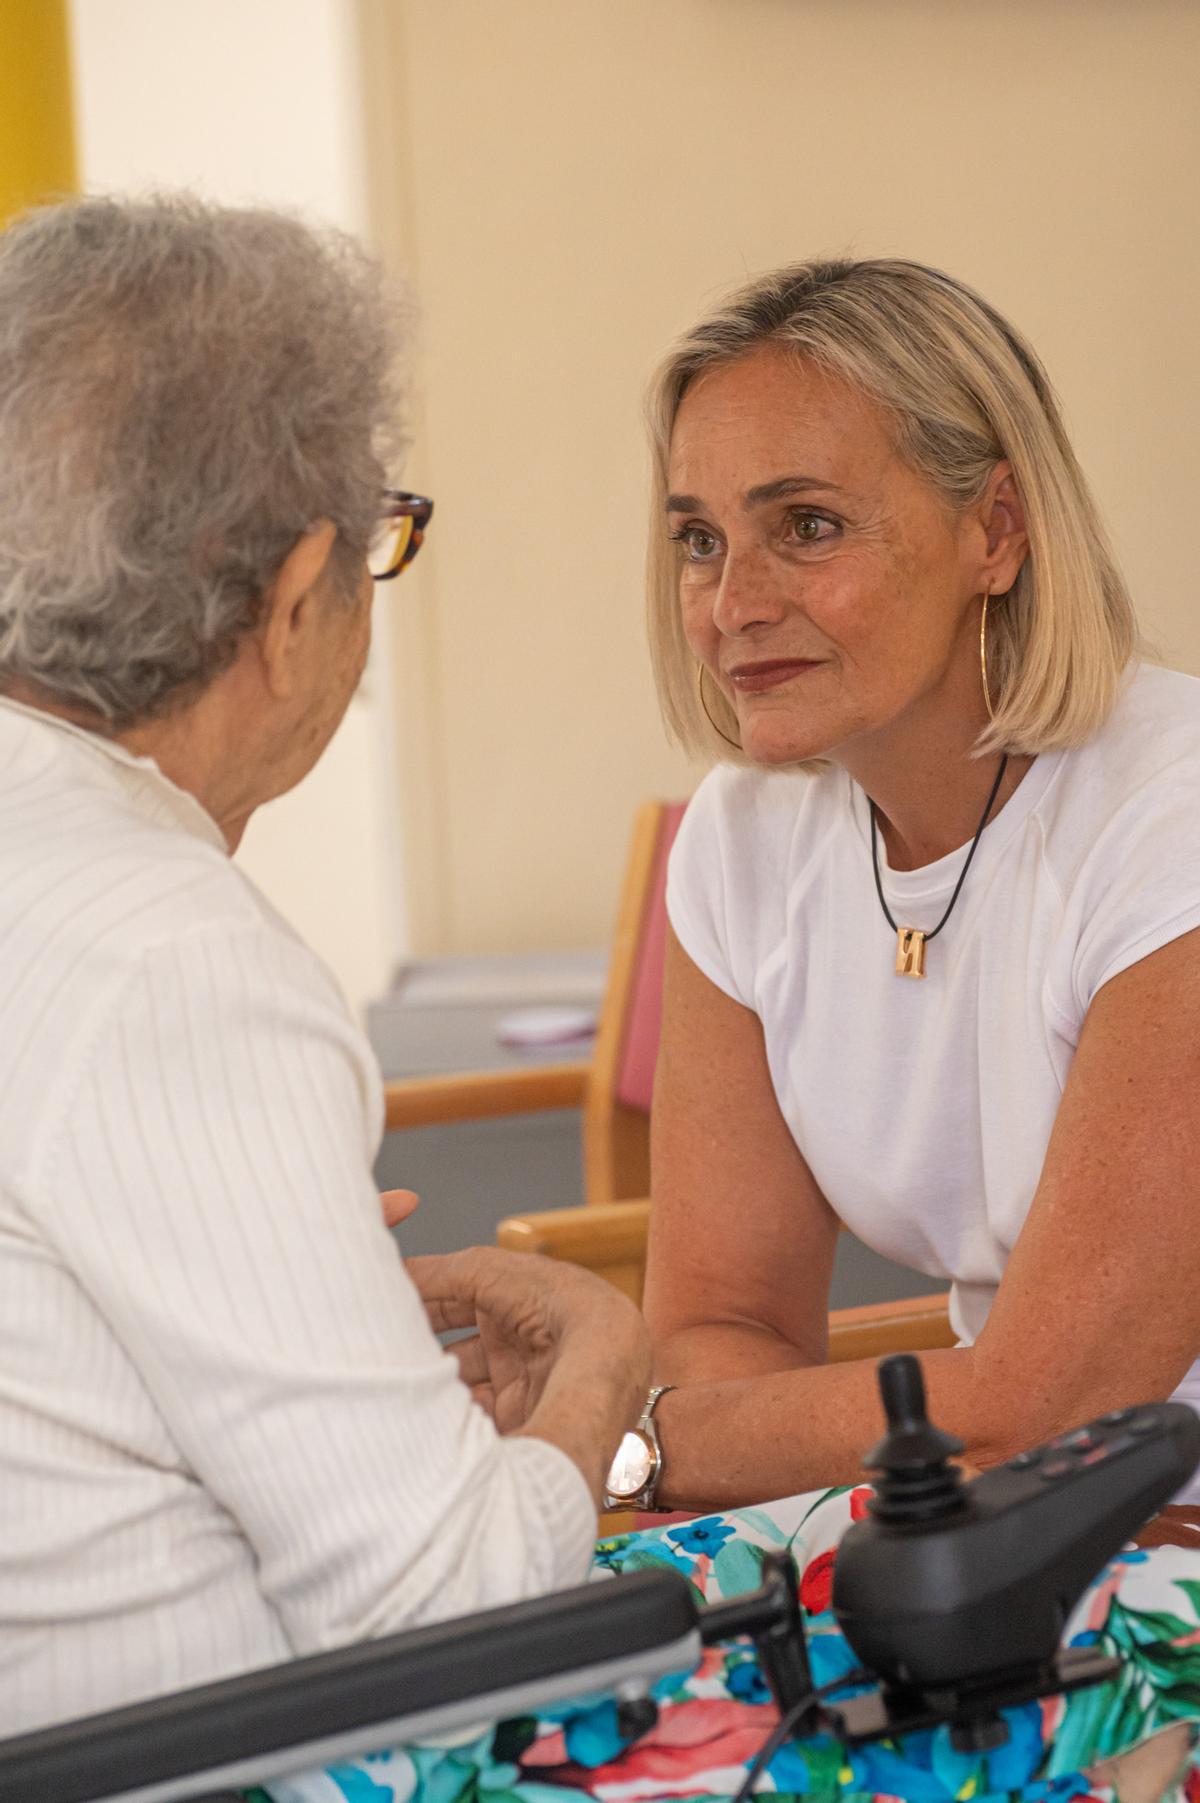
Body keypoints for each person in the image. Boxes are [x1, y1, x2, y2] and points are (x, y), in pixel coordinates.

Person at [0, 194, 648, 1737]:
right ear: (297, 601)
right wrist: (601, 1381)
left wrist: (273, 1264)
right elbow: (455, 1618)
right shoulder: (171, 956)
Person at [628, 258, 1200, 1516]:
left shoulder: (1174, 810)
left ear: (995, 531)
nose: (733, 604)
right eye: (699, 541)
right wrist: (704, 1430)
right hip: (991, 1507)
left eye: (808, 527)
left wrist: (647, 1447)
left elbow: (1061, 1410)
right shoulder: (745, 835)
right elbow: (720, 1322)